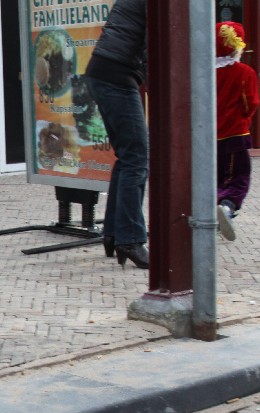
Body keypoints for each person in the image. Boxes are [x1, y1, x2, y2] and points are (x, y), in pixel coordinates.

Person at [84, 0, 150, 270]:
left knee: (127, 157)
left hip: (104, 71)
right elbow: (157, 44)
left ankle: (113, 235)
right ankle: (130, 239)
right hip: (117, 75)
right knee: (137, 157)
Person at [214, 21, 259, 242]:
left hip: (207, 138)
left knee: (214, 177)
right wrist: (245, 120)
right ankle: (227, 207)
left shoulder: (203, 72)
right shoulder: (244, 72)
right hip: (234, 135)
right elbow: (251, 103)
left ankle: (212, 211)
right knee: (238, 177)